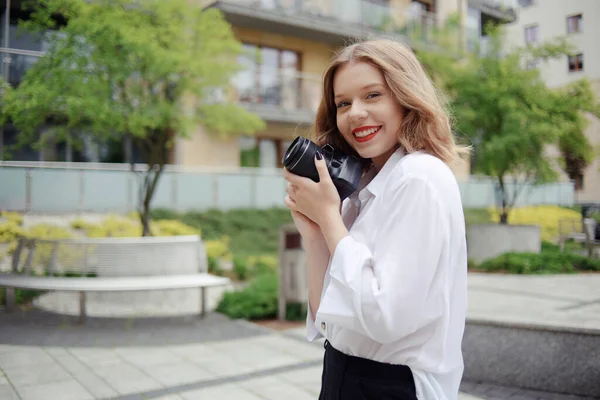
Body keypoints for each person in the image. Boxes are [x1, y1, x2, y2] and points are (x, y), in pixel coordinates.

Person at [282, 38, 470, 400]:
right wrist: (316, 233)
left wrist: (328, 218)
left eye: (372, 96)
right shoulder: (364, 189)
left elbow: (386, 318)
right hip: (341, 372)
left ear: (405, 98)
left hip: (389, 385)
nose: (355, 113)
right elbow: (325, 315)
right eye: (343, 103)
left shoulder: (419, 177)